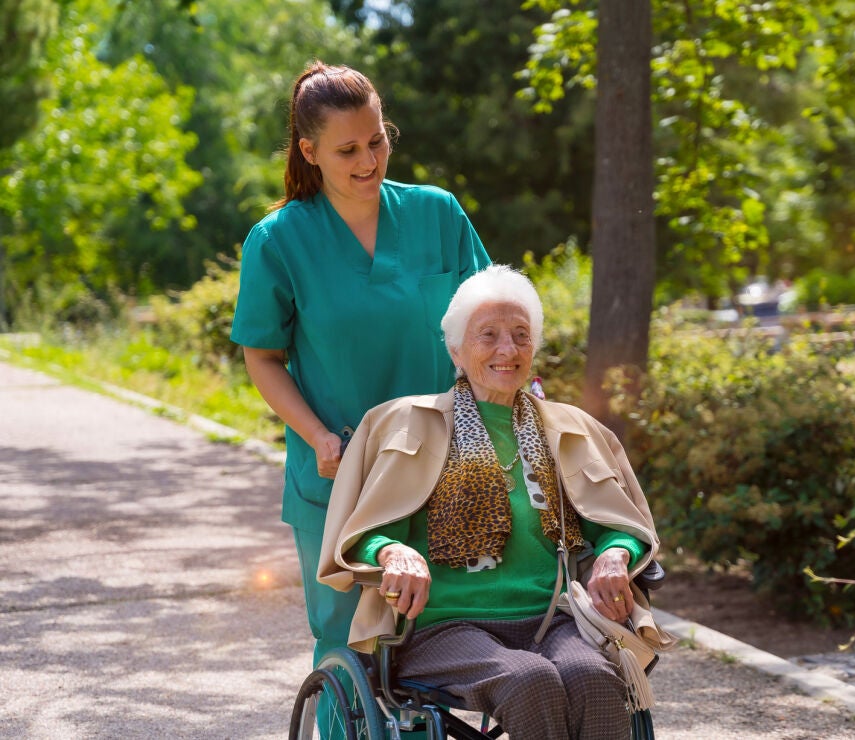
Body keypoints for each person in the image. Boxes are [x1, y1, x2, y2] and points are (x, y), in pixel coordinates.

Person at [318, 265, 667, 740]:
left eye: (521, 335)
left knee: (596, 680)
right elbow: (361, 534)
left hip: (553, 617)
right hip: (443, 626)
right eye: (489, 335)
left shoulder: (571, 428)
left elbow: (617, 519)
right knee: (531, 680)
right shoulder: (405, 423)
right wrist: (391, 551)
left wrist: (615, 552)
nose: (508, 349)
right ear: (457, 350)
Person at [230, 60, 490, 670]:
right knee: (352, 650)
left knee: (446, 649)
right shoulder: (277, 241)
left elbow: (489, 326)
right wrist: (316, 434)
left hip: (444, 465)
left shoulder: (439, 214)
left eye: (378, 140)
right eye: (347, 149)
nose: (369, 160)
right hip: (339, 473)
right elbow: (262, 357)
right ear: (309, 151)